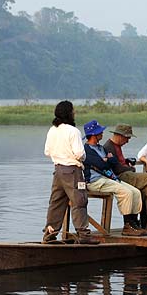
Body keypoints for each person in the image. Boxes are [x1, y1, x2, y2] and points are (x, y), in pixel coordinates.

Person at [42, 100, 99, 244]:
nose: (74, 113)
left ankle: (49, 234)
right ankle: (84, 236)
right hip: (73, 171)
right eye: (73, 110)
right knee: (79, 201)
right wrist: (82, 158)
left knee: (56, 202)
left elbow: (47, 151)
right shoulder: (73, 131)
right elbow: (80, 154)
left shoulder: (52, 130)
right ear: (69, 113)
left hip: (58, 171)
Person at [82, 119, 147, 237]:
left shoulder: (101, 148)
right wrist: (107, 160)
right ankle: (127, 226)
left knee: (136, 192)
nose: (102, 134)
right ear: (93, 135)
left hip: (108, 179)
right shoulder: (86, 150)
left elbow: (111, 162)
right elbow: (102, 164)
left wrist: (107, 160)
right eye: (100, 132)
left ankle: (133, 223)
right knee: (126, 192)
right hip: (95, 181)